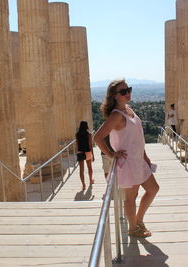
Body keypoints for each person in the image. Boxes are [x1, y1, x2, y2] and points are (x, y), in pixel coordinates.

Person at [94, 79, 159, 238]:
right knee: (131, 197)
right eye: (123, 92)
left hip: (139, 160)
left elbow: (137, 136)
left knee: (153, 189)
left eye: (128, 89)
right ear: (114, 96)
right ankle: (133, 228)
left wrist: (145, 156)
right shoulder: (116, 115)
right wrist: (111, 154)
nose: (128, 93)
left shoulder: (128, 109)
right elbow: (98, 137)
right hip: (128, 163)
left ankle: (138, 220)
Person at [76, 121, 94, 190]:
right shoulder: (89, 134)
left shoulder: (77, 134)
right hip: (87, 152)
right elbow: (90, 145)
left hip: (80, 152)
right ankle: (90, 180)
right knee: (89, 167)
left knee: (81, 170)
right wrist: (93, 155)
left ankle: (83, 185)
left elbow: (77, 145)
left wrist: (77, 152)